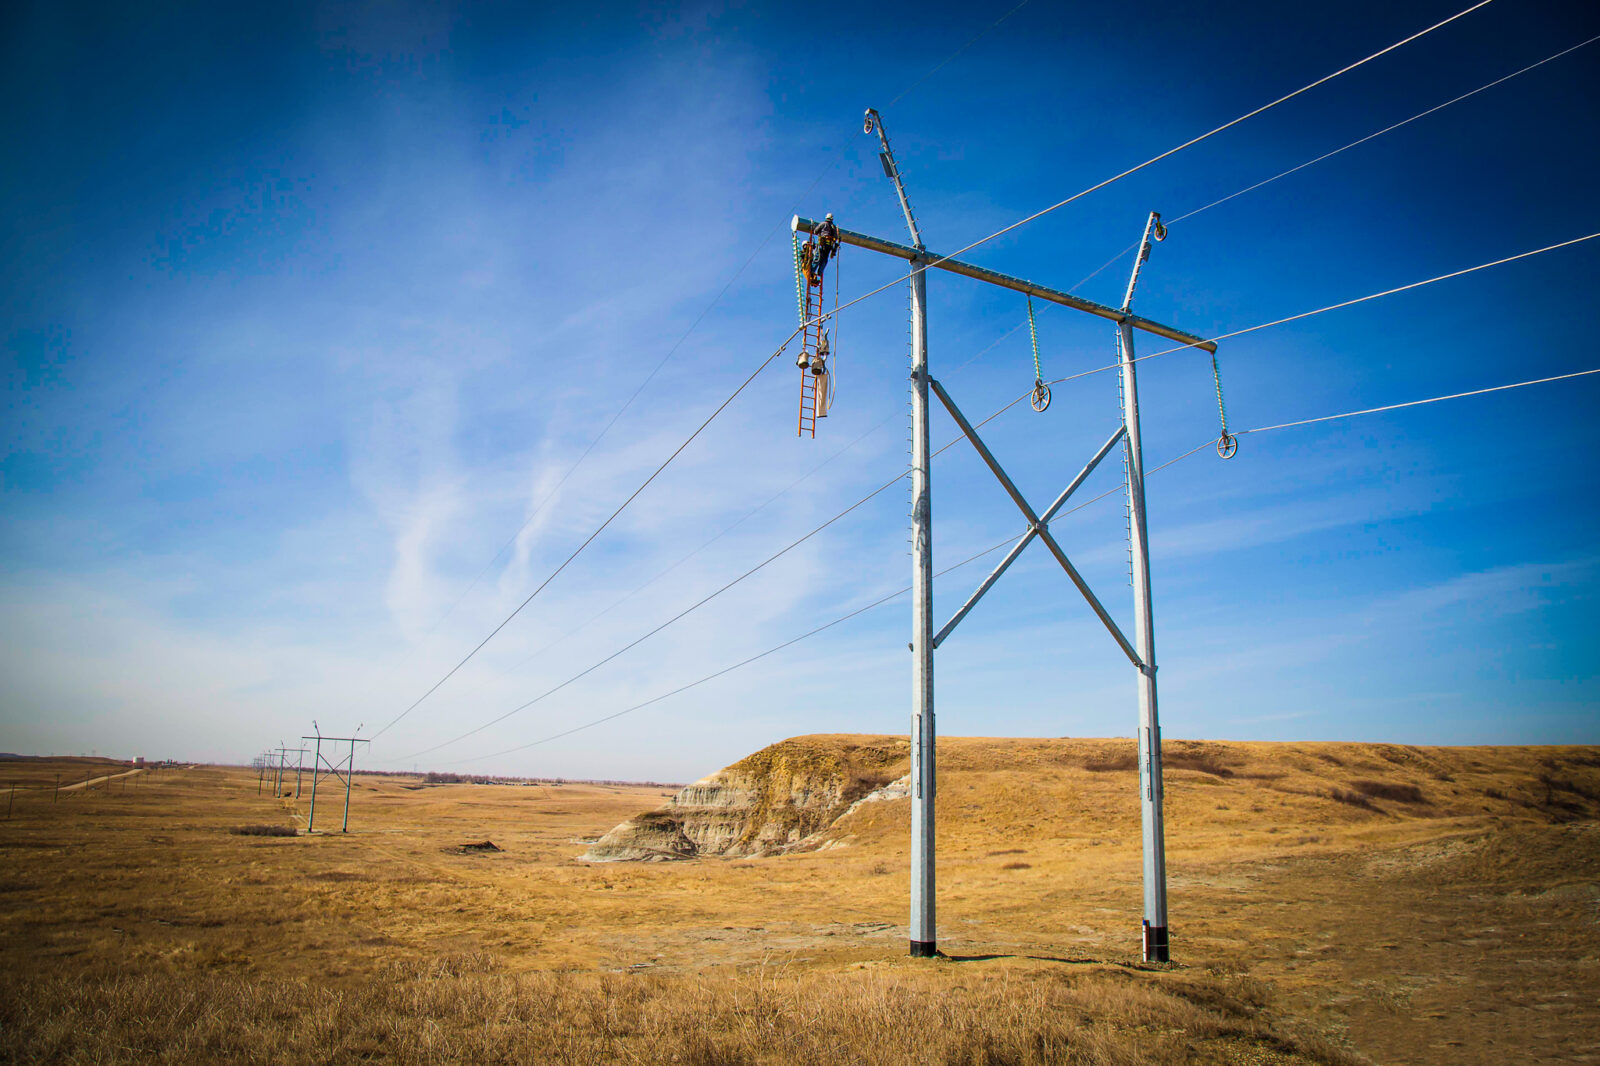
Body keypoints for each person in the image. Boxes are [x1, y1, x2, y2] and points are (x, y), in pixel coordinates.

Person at [810, 213, 838, 284]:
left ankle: (811, 271)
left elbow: (815, 231)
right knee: (824, 260)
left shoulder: (823, 224)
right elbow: (836, 237)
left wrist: (819, 233)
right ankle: (819, 273)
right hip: (829, 246)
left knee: (818, 258)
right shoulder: (833, 227)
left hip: (822, 244)